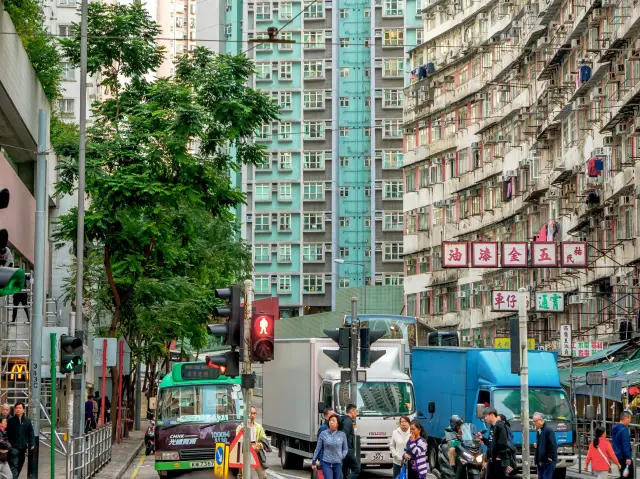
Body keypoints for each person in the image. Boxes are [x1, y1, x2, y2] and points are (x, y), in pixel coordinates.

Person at [479, 407, 512, 479]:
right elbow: (491, 443)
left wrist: (499, 456)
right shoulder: (492, 427)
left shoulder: (500, 426)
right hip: (492, 460)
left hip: (499, 460)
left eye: (485, 416)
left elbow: (503, 443)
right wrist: (483, 439)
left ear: (491, 415)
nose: (485, 419)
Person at [312, 414, 348, 479]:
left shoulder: (342, 435)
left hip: (338, 463)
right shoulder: (323, 434)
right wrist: (314, 461)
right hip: (326, 462)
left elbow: (345, 449)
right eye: (330, 420)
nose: (331, 422)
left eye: (333, 421)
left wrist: (342, 456)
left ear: (338, 424)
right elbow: (318, 448)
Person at [236, 407, 267, 479]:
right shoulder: (241, 427)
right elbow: (238, 443)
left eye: (254, 413)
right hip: (245, 455)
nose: (252, 415)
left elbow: (264, 439)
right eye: (251, 413)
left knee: (263, 476)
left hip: (256, 454)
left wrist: (260, 445)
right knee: (245, 476)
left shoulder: (258, 427)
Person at [6, 401, 34, 479]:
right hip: (13, 448)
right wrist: (9, 446)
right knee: (14, 466)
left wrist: (32, 443)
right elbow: (6, 434)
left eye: (20, 408)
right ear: (14, 410)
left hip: (23, 448)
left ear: (23, 410)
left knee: (20, 465)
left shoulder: (27, 421)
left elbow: (31, 433)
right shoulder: (11, 421)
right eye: (16, 408)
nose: (18, 409)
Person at [533, 412, 557, 479]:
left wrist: (550, 457)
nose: (534, 423)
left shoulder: (548, 430)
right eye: (533, 421)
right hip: (541, 460)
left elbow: (553, 444)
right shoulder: (539, 430)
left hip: (547, 460)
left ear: (542, 420)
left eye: (535, 421)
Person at [340, 404, 361, 479]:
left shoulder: (343, 419)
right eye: (356, 411)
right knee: (356, 469)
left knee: (344, 471)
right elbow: (344, 436)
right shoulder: (348, 422)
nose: (357, 413)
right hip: (347, 452)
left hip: (344, 451)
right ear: (352, 411)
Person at [612, 411, 634, 479]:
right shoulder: (624, 429)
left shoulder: (615, 428)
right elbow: (625, 444)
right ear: (625, 418)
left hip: (617, 455)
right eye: (629, 418)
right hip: (624, 456)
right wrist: (628, 457)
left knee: (623, 474)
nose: (630, 420)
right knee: (628, 476)